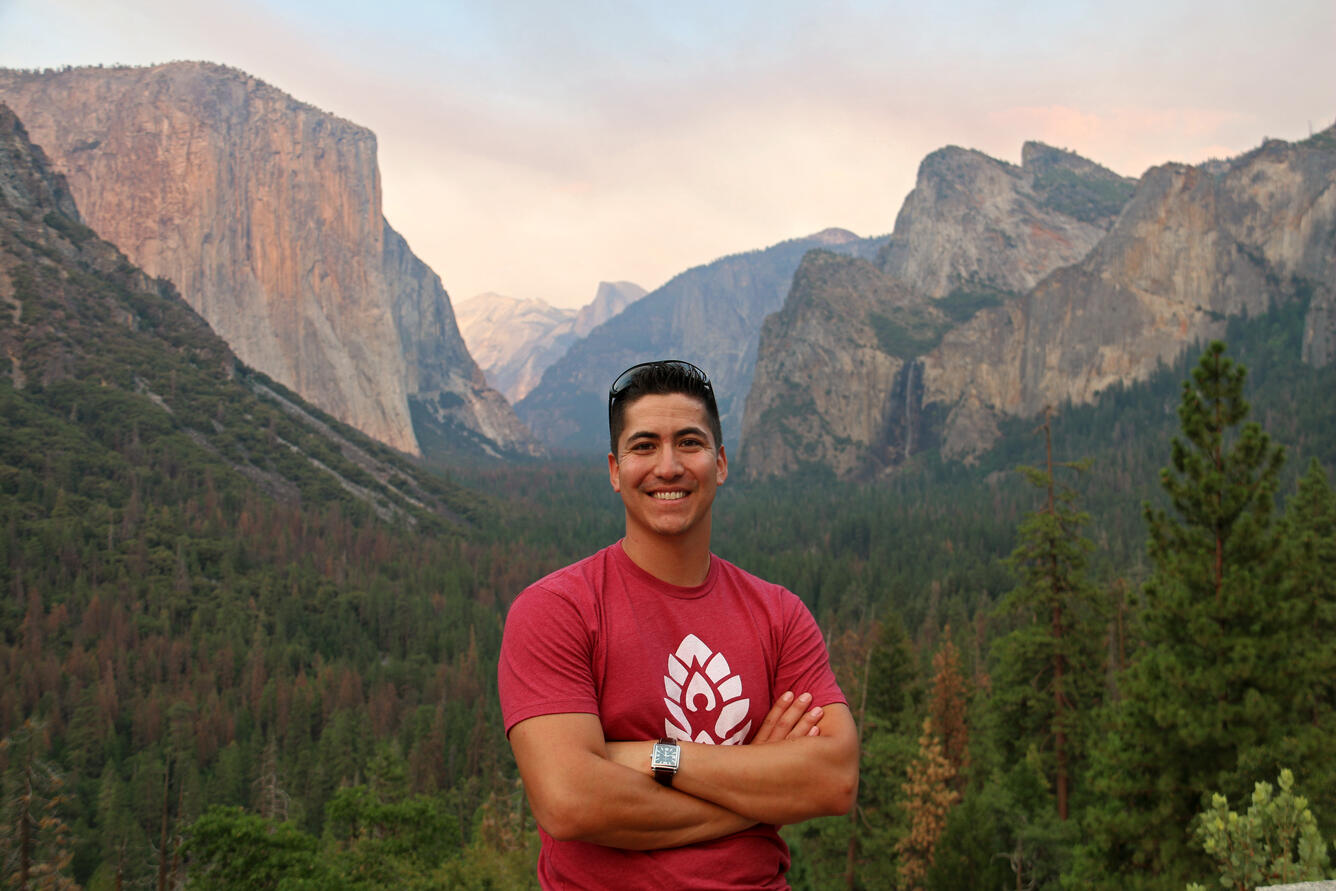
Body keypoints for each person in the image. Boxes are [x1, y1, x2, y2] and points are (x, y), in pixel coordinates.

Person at [498, 359, 858, 889]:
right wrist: (755, 787)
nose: (668, 466)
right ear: (615, 471)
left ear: (721, 463)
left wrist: (655, 757)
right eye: (644, 446)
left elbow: (833, 781)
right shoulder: (557, 609)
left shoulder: (780, 615)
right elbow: (570, 802)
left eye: (689, 442)